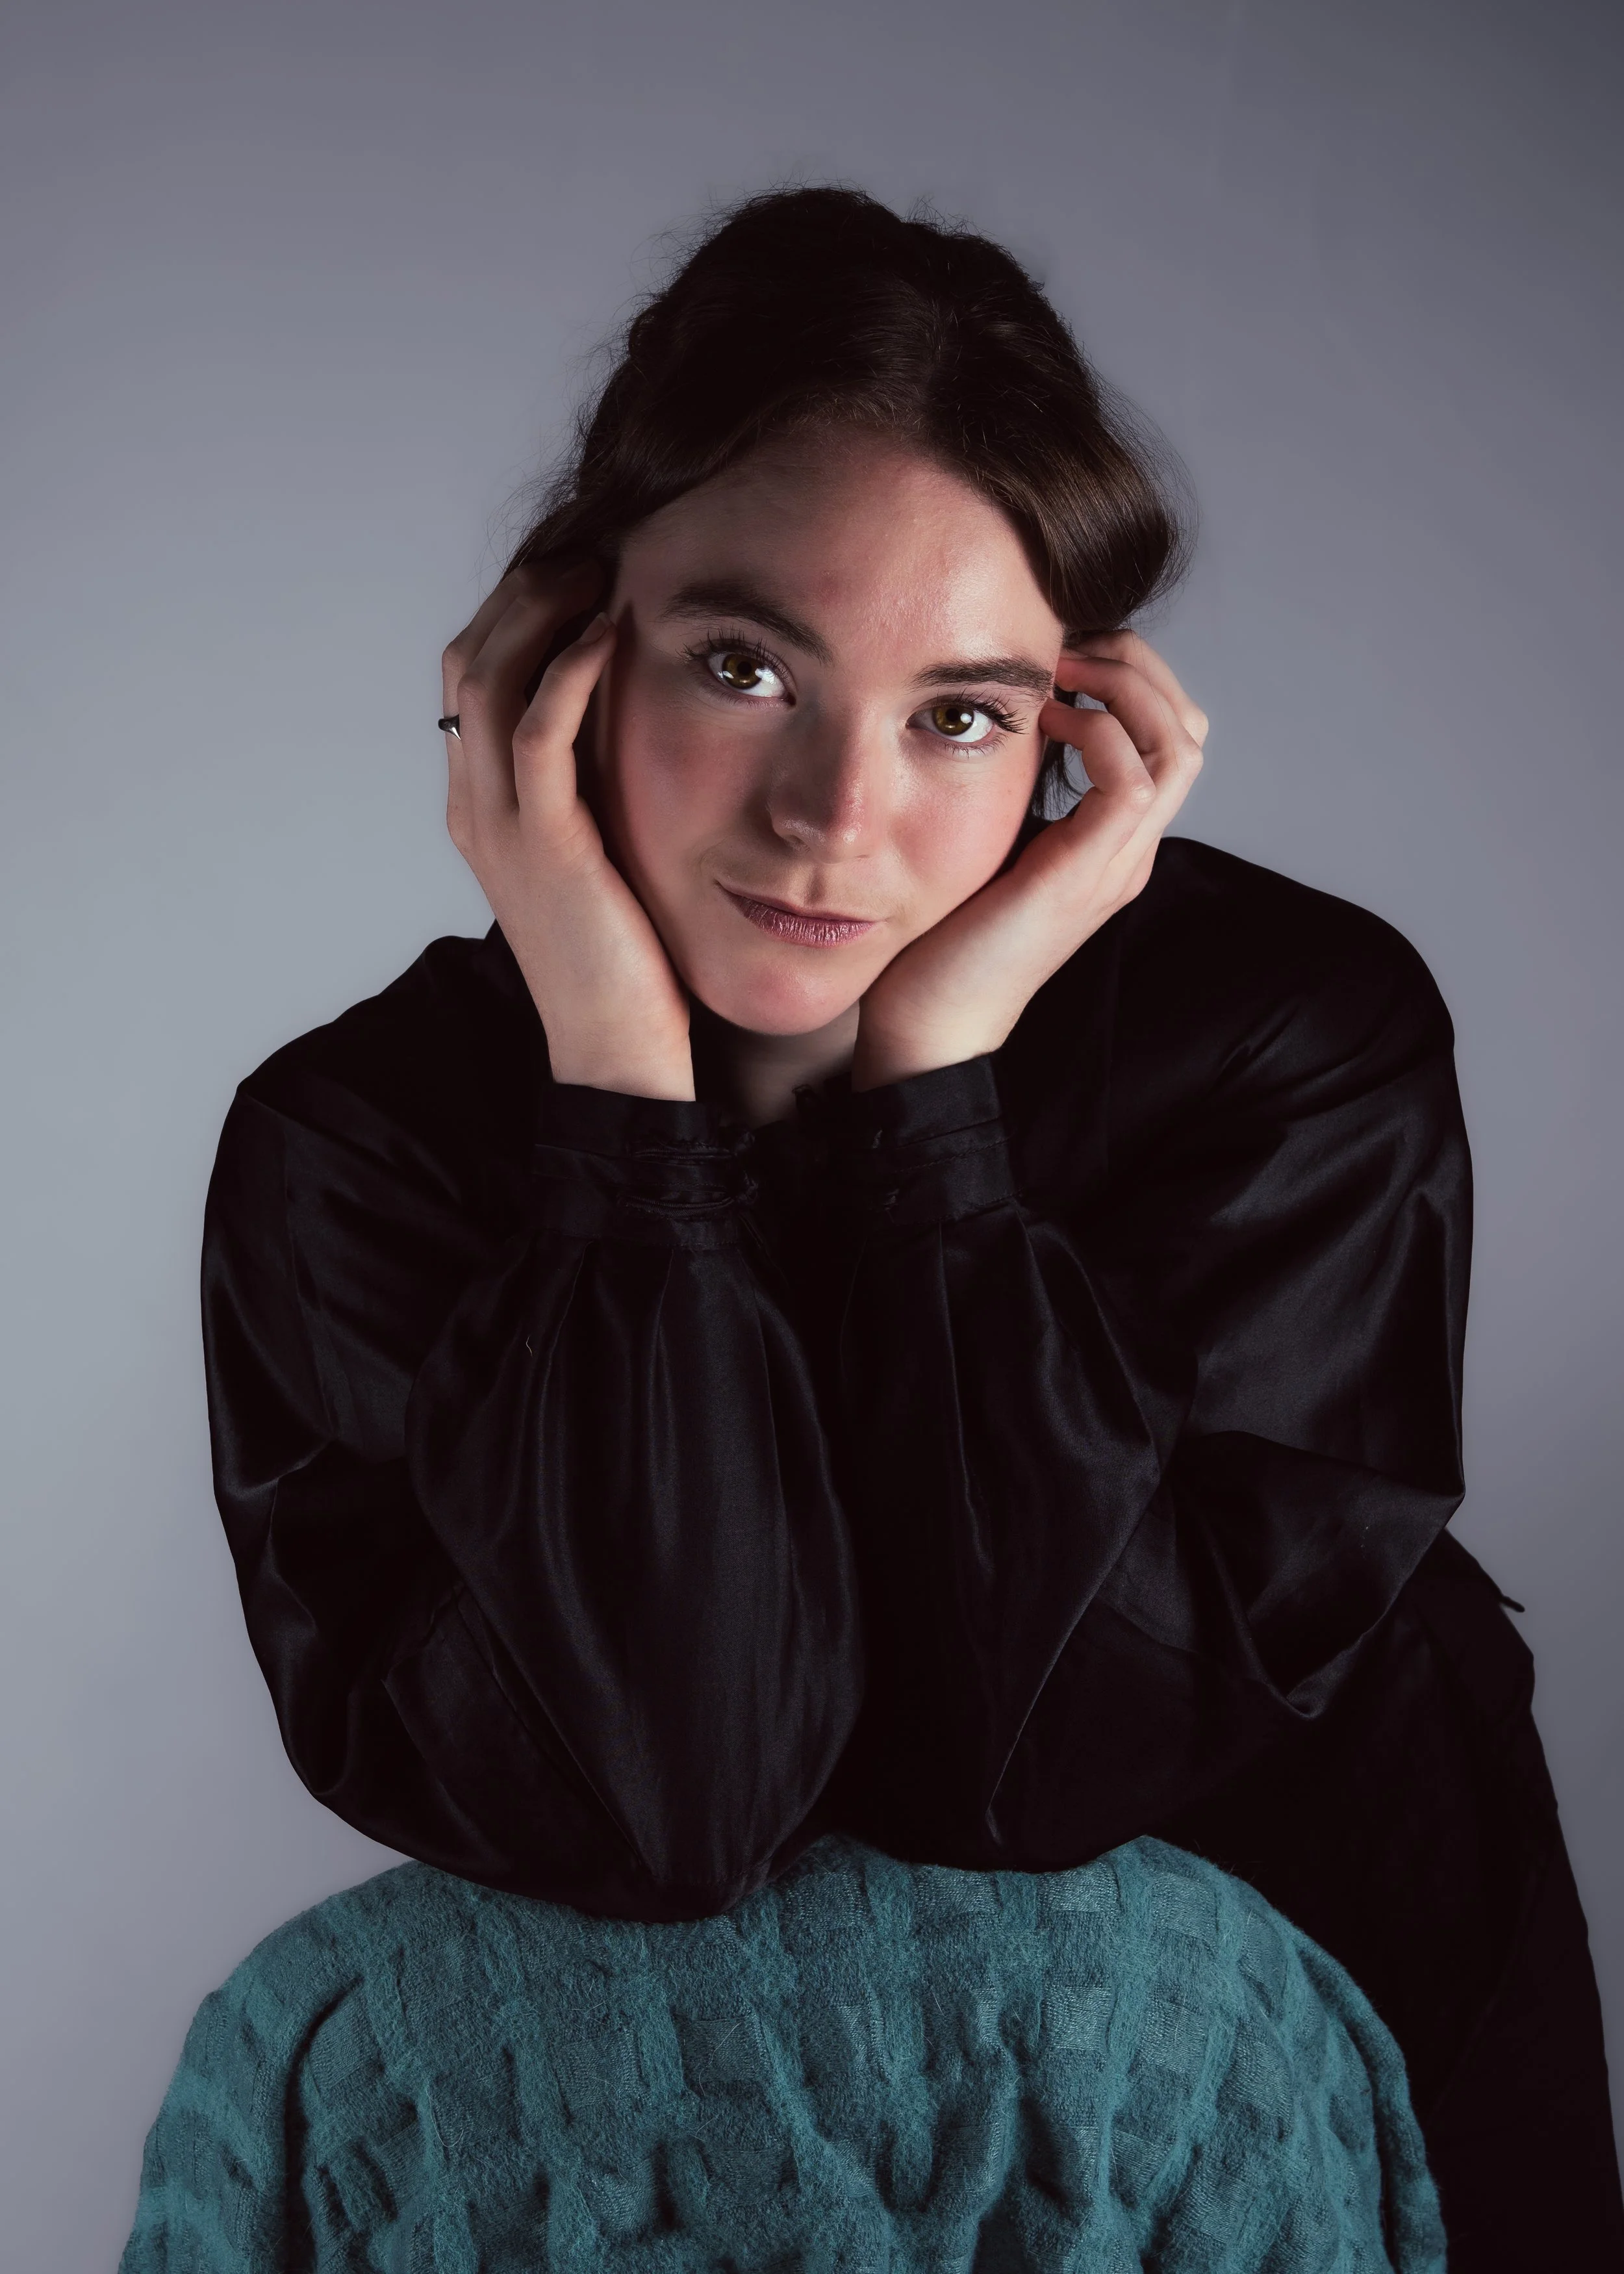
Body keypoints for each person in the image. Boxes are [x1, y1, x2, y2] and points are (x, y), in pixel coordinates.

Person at [200, 187, 1623, 2266]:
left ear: (1072, 733)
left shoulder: (1289, 1042)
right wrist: (619, 1080)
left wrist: (932, 1093)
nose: (832, 817)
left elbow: (1028, 1776)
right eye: (742, 662)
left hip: (1344, 2093)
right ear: (553, 659)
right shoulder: (362, 1149)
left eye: (957, 711)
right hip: (731, 2177)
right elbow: (668, 1811)